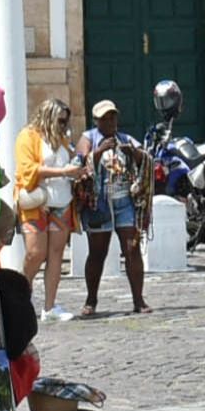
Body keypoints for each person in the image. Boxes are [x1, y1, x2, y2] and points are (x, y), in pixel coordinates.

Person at [77, 99, 151, 317]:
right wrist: (98, 152)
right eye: (105, 118)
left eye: (113, 117)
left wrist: (134, 154)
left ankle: (138, 299)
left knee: (132, 248)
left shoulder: (125, 139)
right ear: (96, 121)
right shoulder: (89, 138)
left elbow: (146, 158)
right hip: (99, 203)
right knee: (97, 253)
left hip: (124, 202)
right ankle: (91, 300)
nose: (110, 121)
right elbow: (80, 161)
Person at [13, 99, 81, 319]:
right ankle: (22, 297)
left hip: (61, 202)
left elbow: (69, 160)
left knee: (56, 254)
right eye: (60, 120)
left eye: (66, 121)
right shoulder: (28, 136)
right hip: (36, 203)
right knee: (35, 253)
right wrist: (63, 172)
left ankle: (49, 307)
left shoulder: (62, 138)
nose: (64, 125)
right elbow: (28, 169)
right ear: (48, 116)